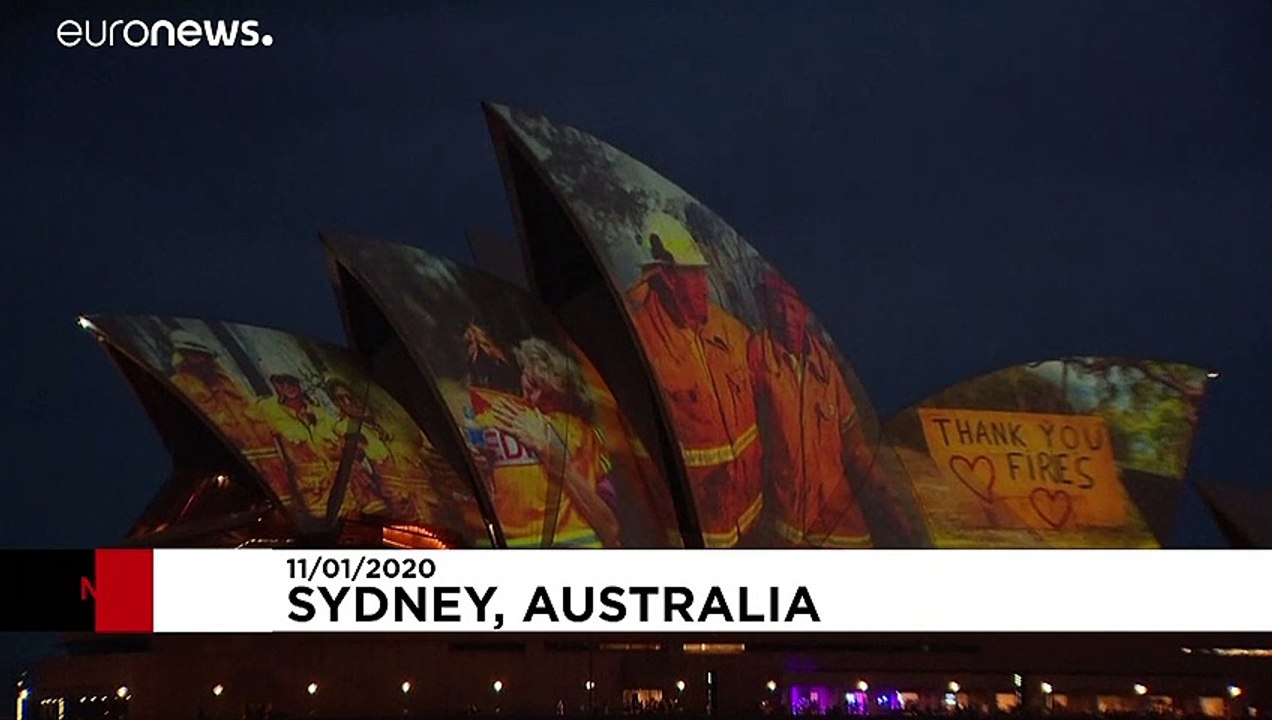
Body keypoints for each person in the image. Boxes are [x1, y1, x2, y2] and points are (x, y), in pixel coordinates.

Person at [625, 211, 762, 547]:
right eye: (693, 275)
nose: (704, 287)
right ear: (666, 278)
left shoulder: (728, 329)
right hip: (698, 538)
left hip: (753, 522)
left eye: (703, 274)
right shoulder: (639, 341)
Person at [747, 270, 872, 547]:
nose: (786, 316)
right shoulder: (755, 358)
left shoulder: (826, 367)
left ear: (806, 310)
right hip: (784, 532)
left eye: (794, 306)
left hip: (839, 526)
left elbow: (856, 446)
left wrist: (887, 505)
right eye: (778, 305)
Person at [474, 335, 621, 547]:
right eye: (532, 384)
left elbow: (610, 526)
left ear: (567, 398)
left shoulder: (584, 435)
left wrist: (548, 449)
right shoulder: (494, 413)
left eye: (550, 396)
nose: (535, 399)